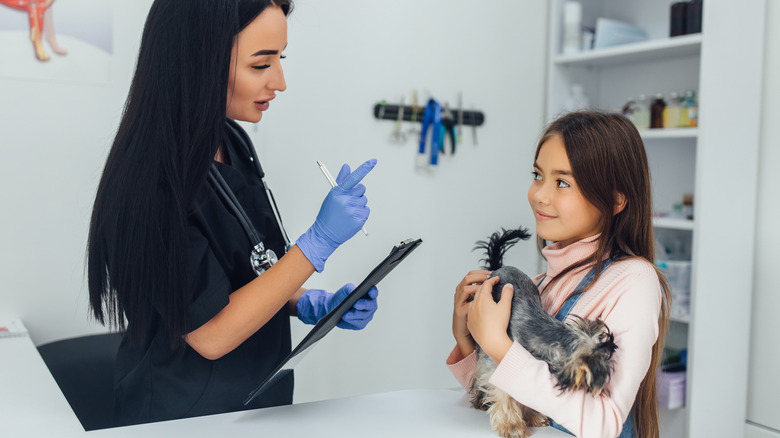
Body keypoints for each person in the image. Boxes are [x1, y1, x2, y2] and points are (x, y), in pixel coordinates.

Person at [87, 0, 379, 426]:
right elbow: (209, 332)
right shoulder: (153, 177)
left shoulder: (231, 141)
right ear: (198, 60)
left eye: (280, 59)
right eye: (260, 65)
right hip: (181, 416)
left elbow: (248, 274)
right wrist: (318, 243)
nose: (280, 82)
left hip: (255, 406)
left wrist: (309, 304)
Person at [448, 111, 671, 438]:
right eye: (538, 175)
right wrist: (468, 340)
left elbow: (604, 424)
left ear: (615, 199)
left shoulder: (633, 281)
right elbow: (502, 402)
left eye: (562, 182)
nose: (540, 194)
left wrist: (498, 343)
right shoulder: (540, 285)